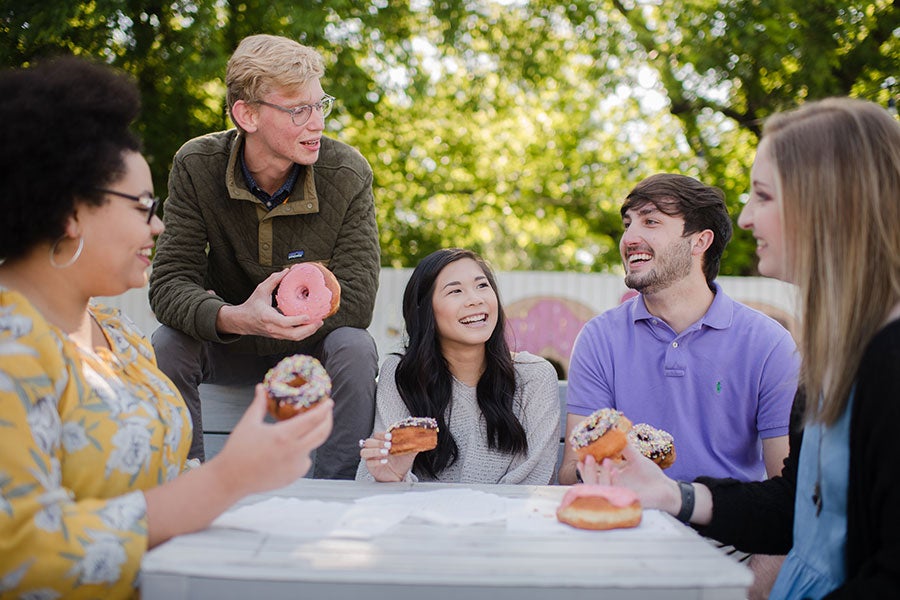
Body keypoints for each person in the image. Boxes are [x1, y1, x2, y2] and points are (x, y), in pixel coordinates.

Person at [0, 57, 333, 598]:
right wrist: (230, 477)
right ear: (70, 211)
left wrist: (252, 464)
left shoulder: (120, 336)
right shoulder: (10, 346)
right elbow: (18, 553)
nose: (157, 223)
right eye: (142, 205)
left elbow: (174, 487)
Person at [584, 97, 900, 598]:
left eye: (764, 196)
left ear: (831, 203)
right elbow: (793, 507)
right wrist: (671, 494)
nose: (747, 218)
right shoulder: (836, 353)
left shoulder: (888, 358)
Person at [148, 34, 379, 479]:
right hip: (227, 343)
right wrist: (237, 318)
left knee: (355, 347)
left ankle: (335, 488)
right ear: (247, 114)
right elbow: (170, 284)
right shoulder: (196, 165)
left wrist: (278, 320)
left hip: (309, 352)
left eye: (320, 105)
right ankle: (186, 479)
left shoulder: (347, 172)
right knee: (167, 344)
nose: (317, 124)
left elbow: (357, 299)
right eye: (298, 110)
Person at [559, 173, 799, 485]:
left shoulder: (768, 344)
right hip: (629, 525)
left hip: (728, 529)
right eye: (628, 224)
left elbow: (786, 485)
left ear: (700, 240)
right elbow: (569, 473)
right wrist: (601, 465)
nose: (629, 238)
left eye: (650, 222)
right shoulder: (599, 338)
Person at [356, 249, 560, 484]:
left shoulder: (535, 377)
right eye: (455, 291)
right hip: (418, 518)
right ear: (425, 310)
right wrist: (394, 477)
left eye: (482, 286)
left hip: (506, 519)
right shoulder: (402, 373)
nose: (475, 299)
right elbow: (375, 475)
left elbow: (535, 480)